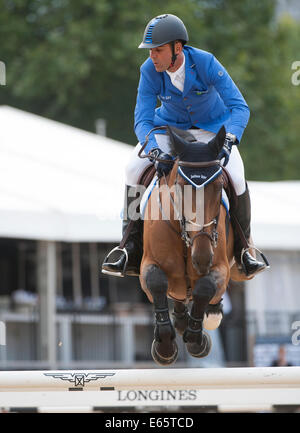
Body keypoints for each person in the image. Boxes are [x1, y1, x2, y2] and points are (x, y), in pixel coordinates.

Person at [102, 13, 268, 278]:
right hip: (170, 130)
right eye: (150, 51)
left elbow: (239, 107)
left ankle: (245, 250)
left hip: (211, 131)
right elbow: (142, 119)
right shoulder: (148, 71)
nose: (152, 56)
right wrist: (154, 148)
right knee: (132, 168)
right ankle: (129, 247)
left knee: (237, 176)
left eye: (158, 50)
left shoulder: (206, 63)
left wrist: (229, 139)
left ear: (177, 48)